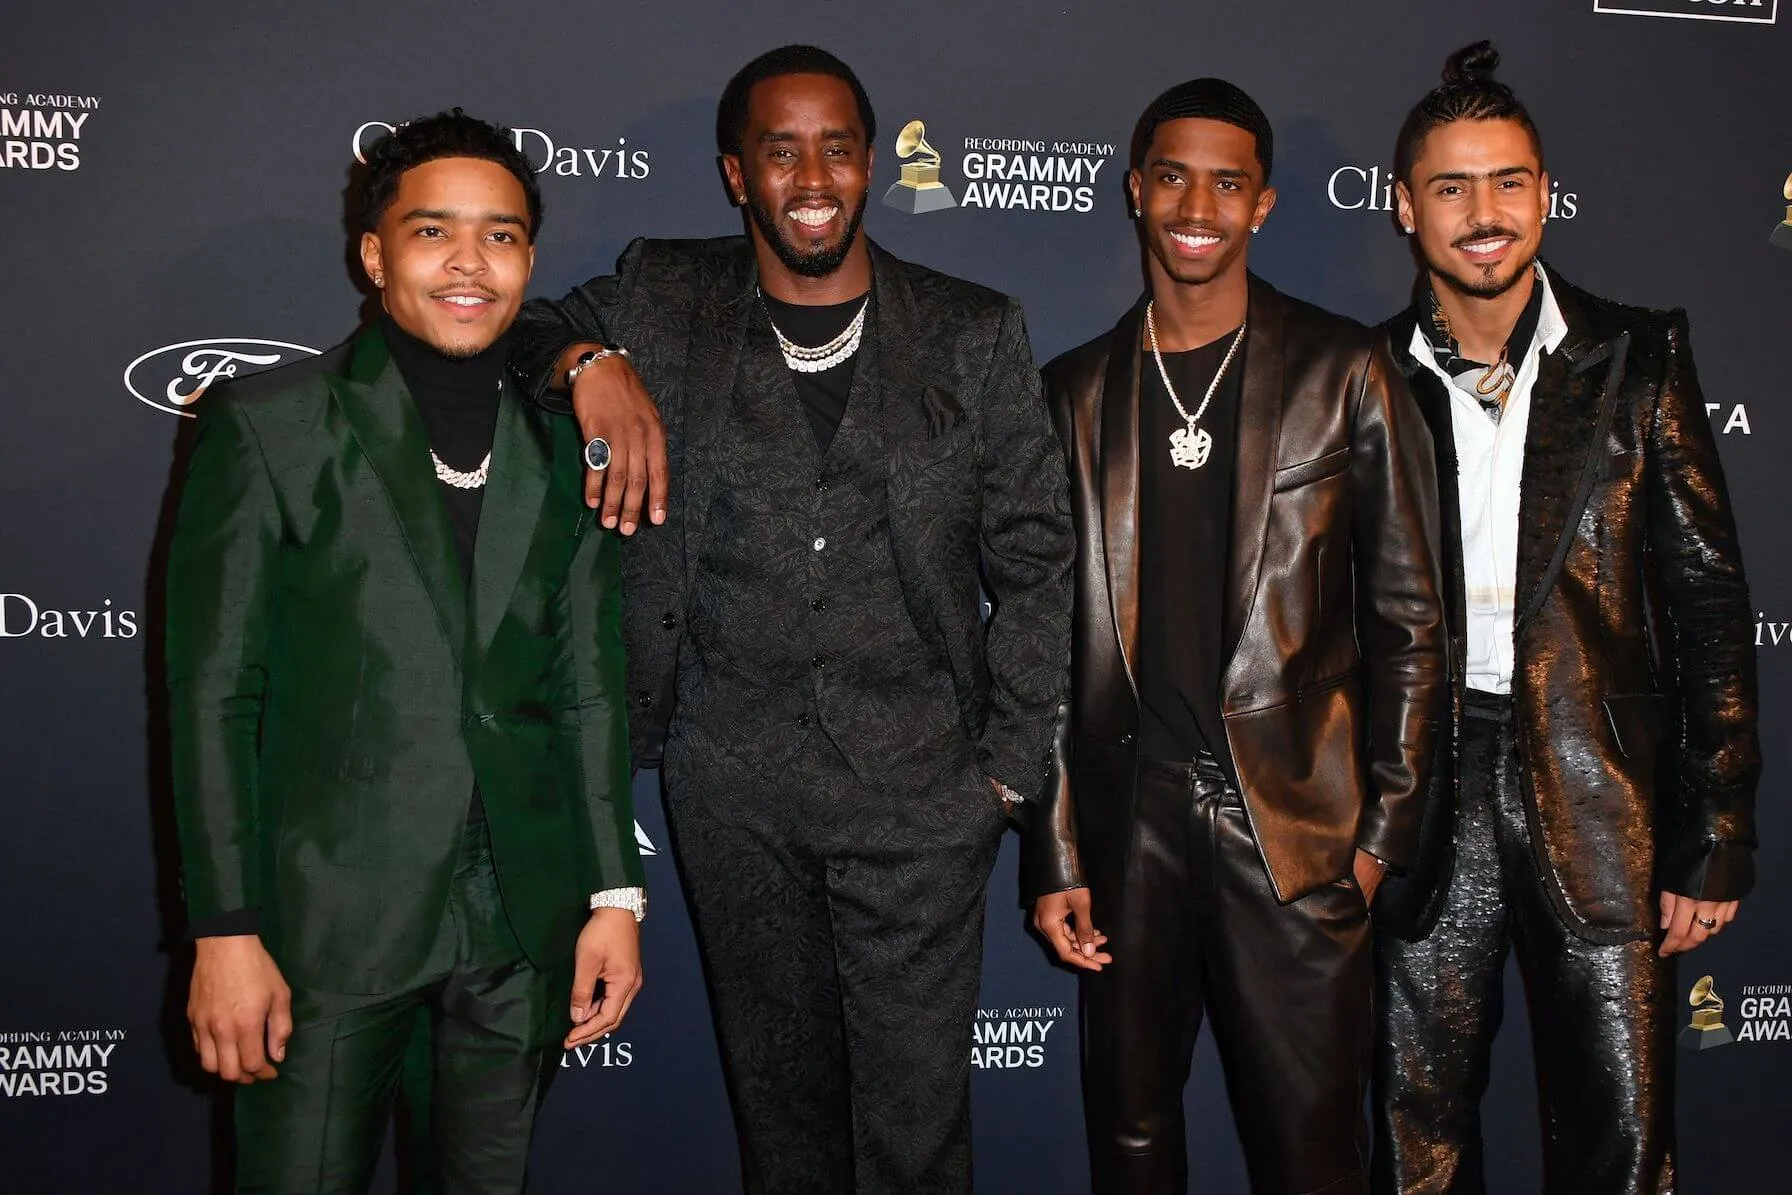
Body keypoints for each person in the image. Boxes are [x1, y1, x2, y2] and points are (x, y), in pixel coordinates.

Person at [509, 44, 1074, 1195]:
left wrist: (1008, 776)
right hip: (732, 793)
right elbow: (520, 331)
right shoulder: (660, 296)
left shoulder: (973, 330)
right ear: (736, 174)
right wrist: (587, 362)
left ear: (869, 163)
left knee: (917, 1140)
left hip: (924, 797)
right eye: (780, 150)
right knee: (785, 1132)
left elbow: (1038, 557)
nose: (811, 174)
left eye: (835, 146)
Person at [165, 109, 644, 1193]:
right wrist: (226, 929)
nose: (470, 264)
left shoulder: (568, 446)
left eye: (503, 235)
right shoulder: (270, 422)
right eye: (434, 233)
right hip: (319, 924)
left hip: (521, 921)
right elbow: (213, 694)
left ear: (528, 258)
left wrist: (613, 896)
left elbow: (587, 688)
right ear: (375, 254)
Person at [1020, 79, 1445, 1195]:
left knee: (1310, 1152)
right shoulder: (1071, 394)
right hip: (1129, 831)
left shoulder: (1341, 370)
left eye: (1225, 180)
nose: (1195, 203)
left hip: (1298, 834)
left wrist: (1380, 832)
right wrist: (1057, 849)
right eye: (1171, 176)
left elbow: (1409, 621)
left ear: (1261, 204)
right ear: (1134, 193)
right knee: (1131, 1139)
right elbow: (1045, 651)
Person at [1371, 43, 1760, 1195]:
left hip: (1605, 792)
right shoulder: (1356, 376)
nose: (1483, 215)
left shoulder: (1639, 357)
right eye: (1451, 187)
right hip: (1421, 786)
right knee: (1415, 1132)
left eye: (1506, 182)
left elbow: (1707, 604)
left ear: (1543, 192)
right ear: (1405, 207)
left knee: (1622, 1132)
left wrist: (1715, 827)